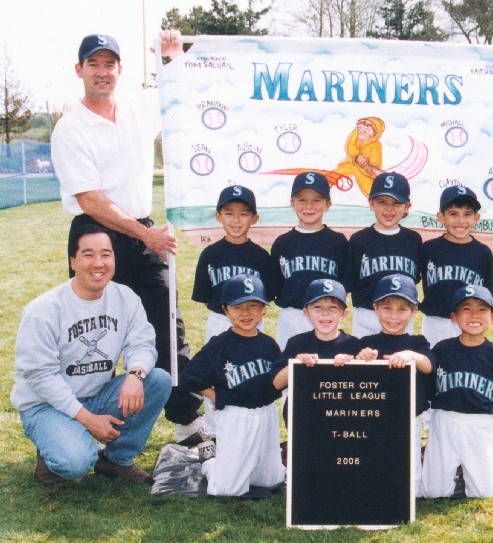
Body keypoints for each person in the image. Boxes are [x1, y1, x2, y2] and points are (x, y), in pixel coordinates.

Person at [51, 31, 204, 446]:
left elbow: (176, 93)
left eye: (109, 64)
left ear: (120, 69)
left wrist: (171, 55)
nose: (102, 72)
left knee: (166, 326)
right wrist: (145, 235)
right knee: (92, 331)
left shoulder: (137, 108)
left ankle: (187, 419)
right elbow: (90, 198)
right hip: (95, 231)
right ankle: (81, 423)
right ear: (79, 70)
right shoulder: (70, 128)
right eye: (93, 64)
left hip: (143, 230)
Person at [11, 225, 172, 484]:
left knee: (158, 380)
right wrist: (89, 421)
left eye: (106, 254)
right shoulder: (43, 311)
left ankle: (116, 460)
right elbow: (42, 378)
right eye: (88, 255)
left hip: (96, 395)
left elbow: (142, 342)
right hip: (46, 405)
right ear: (73, 261)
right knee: (75, 463)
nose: (98, 263)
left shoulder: (125, 298)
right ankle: (52, 450)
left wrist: (135, 373)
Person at [180, 274, 285, 497]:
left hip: (266, 415)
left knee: (272, 479)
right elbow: (189, 375)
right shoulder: (220, 344)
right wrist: (212, 394)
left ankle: (239, 465)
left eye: (253, 305)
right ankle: (211, 463)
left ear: (264, 309)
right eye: (237, 307)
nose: (246, 313)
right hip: (236, 415)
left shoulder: (268, 344)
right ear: (225, 310)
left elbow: (278, 379)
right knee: (228, 489)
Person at [339, 274, 432, 496]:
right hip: (372, 417)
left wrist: (411, 355)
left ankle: (406, 498)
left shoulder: (418, 342)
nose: (393, 316)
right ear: (375, 309)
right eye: (387, 308)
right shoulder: (366, 343)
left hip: (406, 418)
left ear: (414, 311)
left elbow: (428, 366)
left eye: (402, 309)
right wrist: (358, 358)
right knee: (373, 463)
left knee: (409, 477)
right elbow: (352, 380)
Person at [418, 286, 493, 498]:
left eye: (482, 310)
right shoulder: (441, 349)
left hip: (478, 423)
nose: (474, 315)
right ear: (454, 317)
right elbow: (430, 388)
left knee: (485, 492)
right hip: (444, 421)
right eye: (466, 309)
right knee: (433, 492)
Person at [270, 171, 348, 349]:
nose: (309, 206)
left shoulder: (338, 241)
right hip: (292, 315)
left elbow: (344, 284)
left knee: (325, 365)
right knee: (291, 367)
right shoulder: (283, 243)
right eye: (302, 200)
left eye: (316, 200)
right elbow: (276, 284)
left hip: (326, 316)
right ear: (292, 203)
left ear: (327, 204)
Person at [272, 278, 360, 424]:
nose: (325, 313)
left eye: (333, 307)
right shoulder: (297, 343)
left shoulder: (354, 345)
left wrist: (353, 364)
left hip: (342, 421)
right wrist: (296, 365)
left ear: (344, 314)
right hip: (306, 421)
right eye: (317, 307)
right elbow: (277, 383)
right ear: (306, 313)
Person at [192, 185, 272, 342]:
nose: (236, 220)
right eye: (229, 213)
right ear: (218, 216)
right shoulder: (210, 254)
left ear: (254, 218)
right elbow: (204, 295)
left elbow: (267, 296)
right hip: (219, 321)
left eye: (244, 214)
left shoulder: (261, 256)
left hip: (252, 323)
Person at [345, 172, 422, 337]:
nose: (389, 209)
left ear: (407, 206)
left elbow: (414, 279)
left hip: (400, 316)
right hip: (366, 315)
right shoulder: (359, 240)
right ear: (371, 203)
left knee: (400, 361)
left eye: (396, 203)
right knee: (363, 360)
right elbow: (349, 282)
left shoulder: (413, 240)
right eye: (382, 202)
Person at [419, 185, 493, 347]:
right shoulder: (428, 249)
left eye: (467, 214)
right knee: (432, 366)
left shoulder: (483, 253)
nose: (461, 221)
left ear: (476, 218)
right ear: (441, 217)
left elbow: (488, 297)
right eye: (453, 214)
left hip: (467, 322)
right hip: (435, 321)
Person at [333, 117, 385, 197]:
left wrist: (370, 167)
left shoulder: (376, 146)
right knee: (334, 174)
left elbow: (376, 163)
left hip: (364, 171)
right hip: (350, 163)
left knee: (370, 188)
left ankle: (377, 197)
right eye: (359, 128)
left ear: (374, 134)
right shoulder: (355, 135)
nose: (361, 132)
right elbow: (350, 145)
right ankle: (324, 184)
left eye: (366, 131)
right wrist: (357, 155)